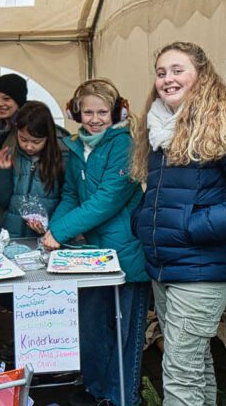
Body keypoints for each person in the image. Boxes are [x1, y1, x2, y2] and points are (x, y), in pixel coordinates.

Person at [130, 42, 226, 405]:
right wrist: (144, 219)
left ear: (201, 74)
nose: (167, 79)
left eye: (177, 70)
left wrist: (196, 226)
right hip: (164, 265)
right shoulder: (159, 124)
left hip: (201, 267)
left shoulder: (225, 121)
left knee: (180, 372)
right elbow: (163, 192)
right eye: (161, 72)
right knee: (195, 365)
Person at [41, 79, 149, 406]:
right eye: (88, 112)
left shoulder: (124, 145)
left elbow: (106, 200)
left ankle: (122, 398)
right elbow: (72, 194)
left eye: (102, 111)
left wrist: (58, 234)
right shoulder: (76, 148)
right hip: (90, 255)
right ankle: (95, 391)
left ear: (115, 112)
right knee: (92, 331)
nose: (95, 118)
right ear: (77, 112)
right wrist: (52, 230)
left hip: (126, 255)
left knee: (124, 336)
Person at [0, 101, 66, 240]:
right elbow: (1, 201)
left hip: (47, 238)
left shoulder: (62, 159)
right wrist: (3, 171)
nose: (29, 146)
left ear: (48, 137)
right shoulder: (11, 156)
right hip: (12, 236)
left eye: (36, 142)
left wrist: (51, 227)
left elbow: (68, 201)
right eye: (23, 139)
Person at [0, 73, 27, 232]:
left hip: (20, 214)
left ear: (19, 100)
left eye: (7, 98)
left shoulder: (27, 127)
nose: (0, 104)